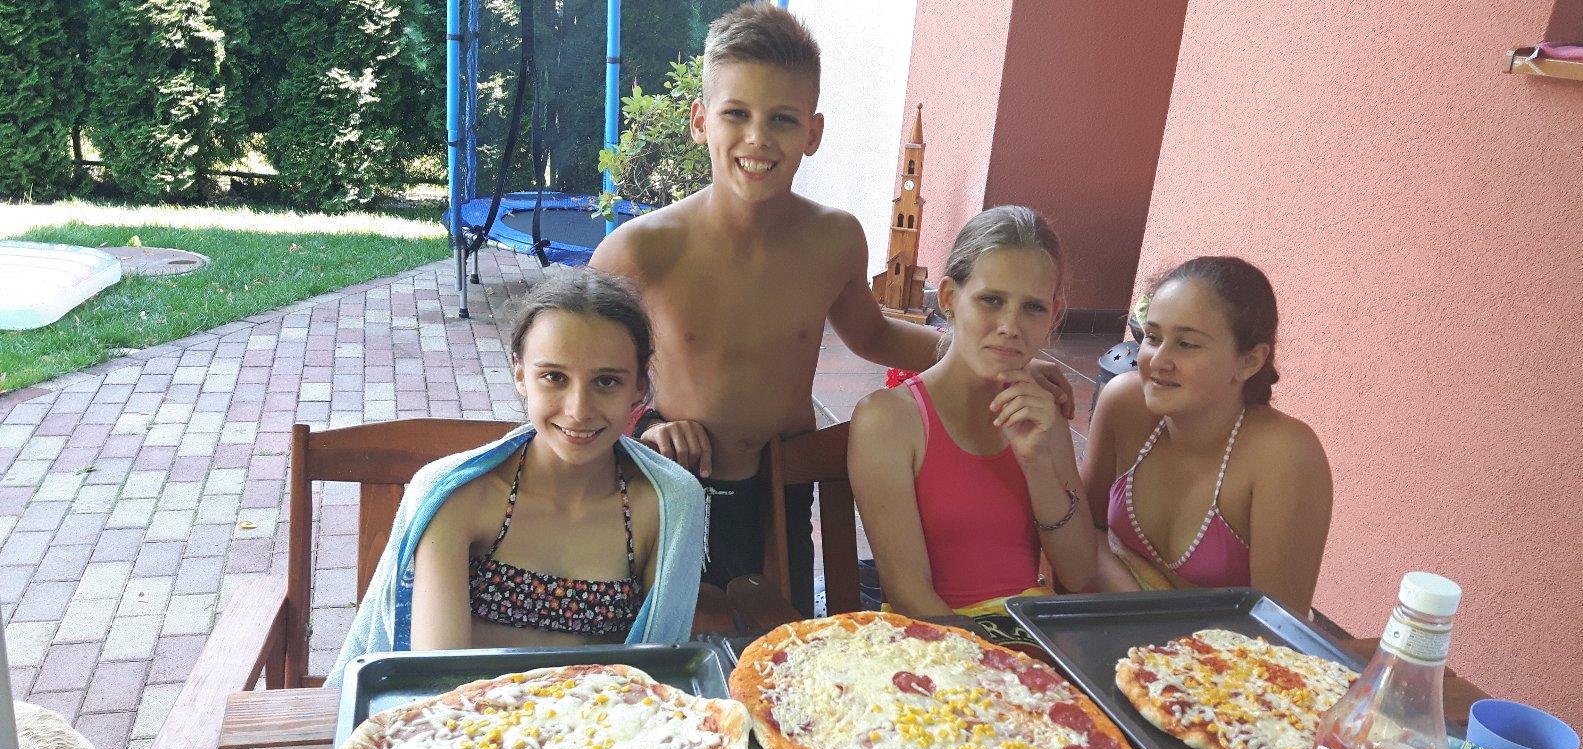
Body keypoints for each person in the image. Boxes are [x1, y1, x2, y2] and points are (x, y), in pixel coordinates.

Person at [591, 3, 1071, 614]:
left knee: (780, 631)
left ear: (813, 134)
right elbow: (584, 370)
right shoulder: (640, 251)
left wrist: (998, 358)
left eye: (782, 119)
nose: (758, 138)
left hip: (781, 482)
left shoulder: (834, 240)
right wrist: (644, 429)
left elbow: (872, 336)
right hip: (672, 475)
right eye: (736, 113)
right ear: (700, 121)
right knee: (666, 624)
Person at [328, 269, 707, 682]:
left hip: (609, 718)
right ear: (521, 375)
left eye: (606, 381)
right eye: (554, 377)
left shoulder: (668, 504)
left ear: (638, 388)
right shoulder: (457, 496)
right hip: (465, 716)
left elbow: (657, 671)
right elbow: (437, 676)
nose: (578, 410)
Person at [847, 206, 1099, 653]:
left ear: (1054, 314)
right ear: (948, 297)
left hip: (1032, 640)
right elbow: (910, 596)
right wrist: (1005, 668)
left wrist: (1038, 463)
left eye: (1033, 308)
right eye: (991, 300)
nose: (1010, 327)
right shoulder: (889, 421)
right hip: (939, 652)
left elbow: (1079, 573)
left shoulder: (1041, 415)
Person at [1082, 256, 1333, 617]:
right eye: (1153, 337)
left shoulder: (1284, 456)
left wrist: (1153, 621)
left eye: (1187, 344)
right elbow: (1084, 528)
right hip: (1115, 627)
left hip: (1227, 650)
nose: (1158, 360)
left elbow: (1278, 625)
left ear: (1249, 361)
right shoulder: (1124, 404)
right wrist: (1139, 606)